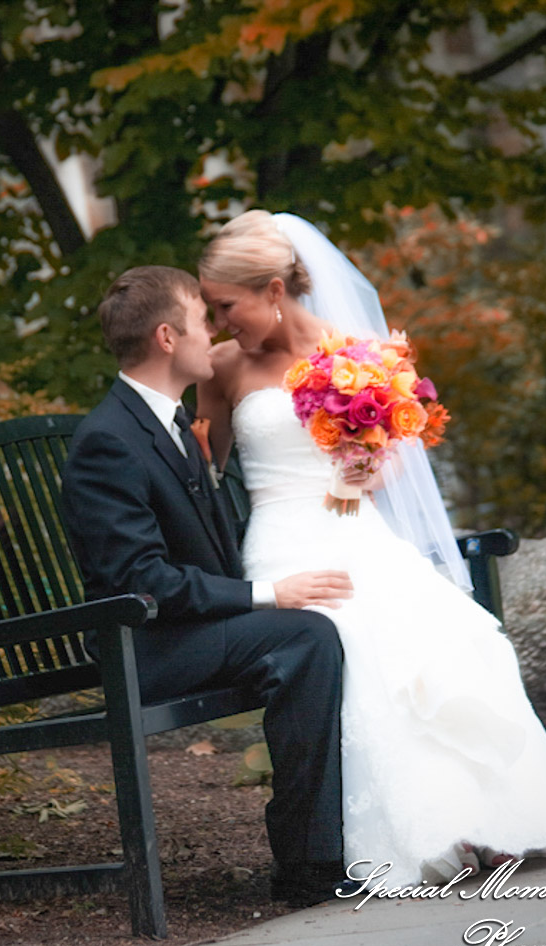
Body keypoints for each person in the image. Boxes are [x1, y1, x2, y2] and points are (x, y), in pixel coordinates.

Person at [196, 211, 546, 885]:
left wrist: (372, 466)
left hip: (355, 527)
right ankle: (417, 833)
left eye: (228, 306)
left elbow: (397, 460)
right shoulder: (225, 367)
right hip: (284, 545)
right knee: (353, 637)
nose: (222, 323)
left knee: (440, 627)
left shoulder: (356, 352)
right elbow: (208, 469)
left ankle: (484, 820)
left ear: (273, 292)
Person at [60, 265, 355, 904]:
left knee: (327, 625)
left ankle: (330, 847)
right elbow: (139, 580)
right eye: (202, 321)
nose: (214, 335)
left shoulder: (167, 426)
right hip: (144, 648)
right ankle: (310, 865)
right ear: (167, 338)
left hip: (184, 631)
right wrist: (267, 594)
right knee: (305, 637)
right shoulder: (108, 442)